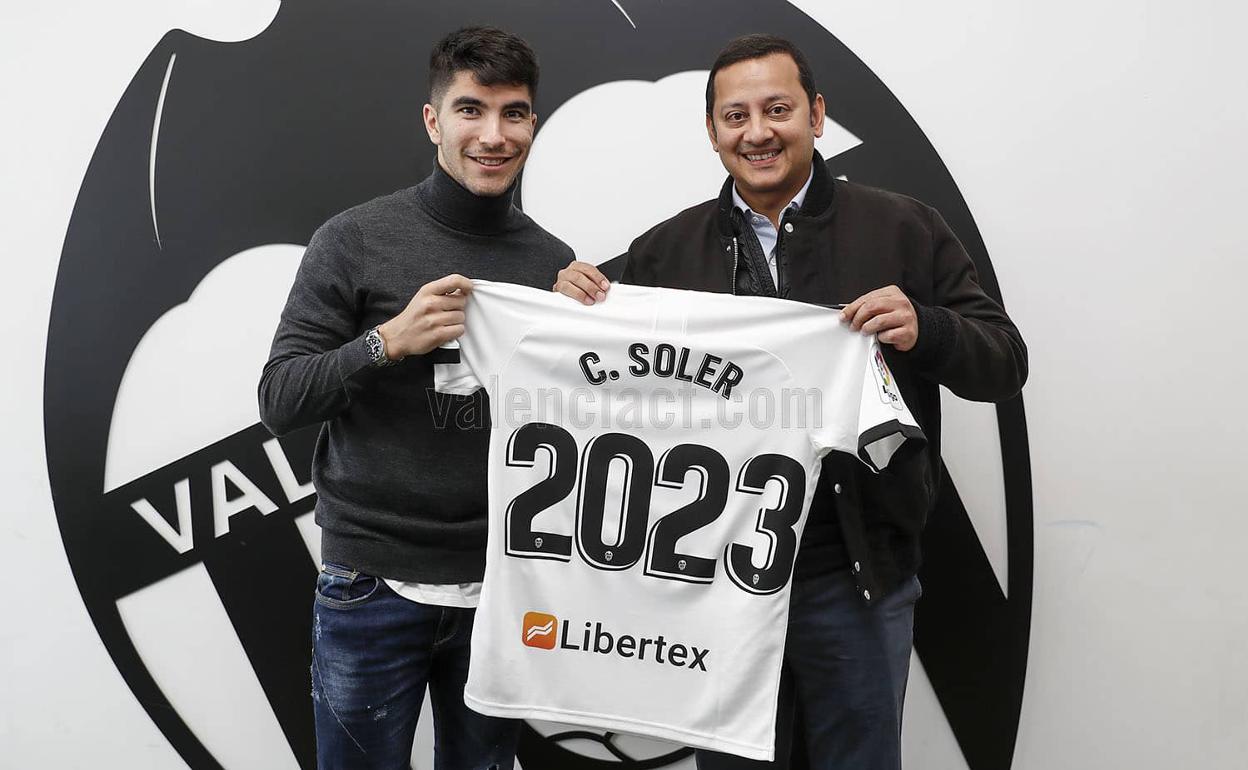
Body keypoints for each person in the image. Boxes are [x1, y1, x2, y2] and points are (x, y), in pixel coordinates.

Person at [555, 34, 1027, 770]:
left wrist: (925, 327)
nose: (757, 132)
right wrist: (569, 311)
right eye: (735, 116)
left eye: (777, 109)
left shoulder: (904, 227)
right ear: (712, 133)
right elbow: (607, 395)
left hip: (858, 579)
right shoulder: (660, 255)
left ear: (817, 115)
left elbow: (1003, 365)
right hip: (718, 591)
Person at [259, 26, 573, 770]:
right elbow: (279, 398)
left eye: (514, 114)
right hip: (372, 585)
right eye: (471, 110)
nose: (493, 136)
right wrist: (386, 341)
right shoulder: (355, 239)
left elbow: (576, 421)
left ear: (532, 122)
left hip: (504, 584)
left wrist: (587, 326)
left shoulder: (551, 261)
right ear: (433, 121)